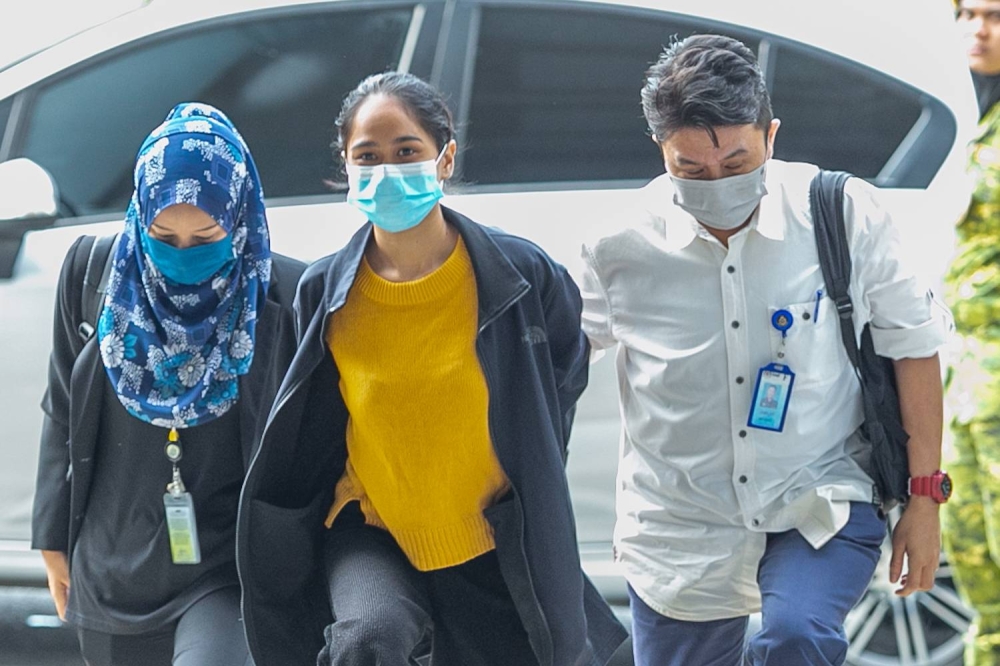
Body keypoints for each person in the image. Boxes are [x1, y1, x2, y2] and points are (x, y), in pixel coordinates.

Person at [578, 35, 954, 666]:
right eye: (691, 170)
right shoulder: (618, 247)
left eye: (736, 163)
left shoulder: (841, 213)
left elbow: (912, 347)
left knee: (797, 637)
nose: (716, 184)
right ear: (660, 149)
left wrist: (924, 500)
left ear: (771, 136)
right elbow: (548, 365)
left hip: (819, 496)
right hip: (681, 522)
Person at [236, 71, 628, 666]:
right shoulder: (322, 292)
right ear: (345, 167)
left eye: (406, 151)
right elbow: (300, 421)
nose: (387, 170)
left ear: (444, 159)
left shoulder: (519, 276)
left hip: (492, 536)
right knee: (367, 638)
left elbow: (559, 378)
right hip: (370, 526)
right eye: (367, 156)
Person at [31, 102, 305, 666]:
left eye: (206, 236)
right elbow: (61, 406)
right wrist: (51, 537)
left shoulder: (283, 293)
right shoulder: (91, 273)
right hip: (113, 563)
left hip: (226, 567)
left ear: (239, 217)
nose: (183, 256)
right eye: (162, 234)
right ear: (139, 214)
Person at [945, 2, 1000, 663]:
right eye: (966, 13)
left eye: (992, 14)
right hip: (971, 387)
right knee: (981, 579)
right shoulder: (982, 121)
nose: (976, 29)